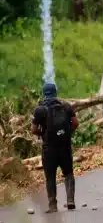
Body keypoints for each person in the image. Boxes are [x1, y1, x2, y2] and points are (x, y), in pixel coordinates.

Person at [31, 83, 79, 213]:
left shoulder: (39, 110)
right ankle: (70, 201)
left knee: (50, 177)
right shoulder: (66, 106)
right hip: (65, 147)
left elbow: (33, 129)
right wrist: (67, 133)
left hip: (49, 149)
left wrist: (43, 134)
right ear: (55, 92)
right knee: (68, 174)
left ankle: (52, 205)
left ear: (44, 93)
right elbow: (75, 123)